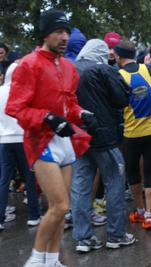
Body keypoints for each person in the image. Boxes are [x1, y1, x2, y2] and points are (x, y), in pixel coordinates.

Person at [5, 8, 93, 267]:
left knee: (62, 210)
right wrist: (49, 118)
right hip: (40, 141)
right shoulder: (29, 64)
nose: (64, 36)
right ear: (45, 34)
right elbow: (15, 107)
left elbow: (70, 105)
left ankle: (52, 261)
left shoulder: (68, 66)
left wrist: (84, 114)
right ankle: (34, 261)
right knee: (59, 205)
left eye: (66, 31)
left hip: (65, 141)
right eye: (58, 31)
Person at [70, 39, 134, 252]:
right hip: (103, 135)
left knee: (80, 186)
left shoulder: (71, 69)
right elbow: (122, 98)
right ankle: (116, 234)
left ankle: (83, 238)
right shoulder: (102, 70)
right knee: (115, 180)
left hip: (78, 135)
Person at [114, 40, 151, 230]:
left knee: (132, 171)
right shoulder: (148, 69)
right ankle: (150, 215)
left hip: (132, 132)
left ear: (118, 56)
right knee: (150, 171)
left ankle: (140, 211)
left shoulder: (118, 75)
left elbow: (117, 103)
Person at [0, 63, 42, 230]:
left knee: (4, 179)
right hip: (24, 139)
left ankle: (0, 218)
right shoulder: (26, 92)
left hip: (4, 140)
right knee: (30, 177)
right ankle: (33, 215)